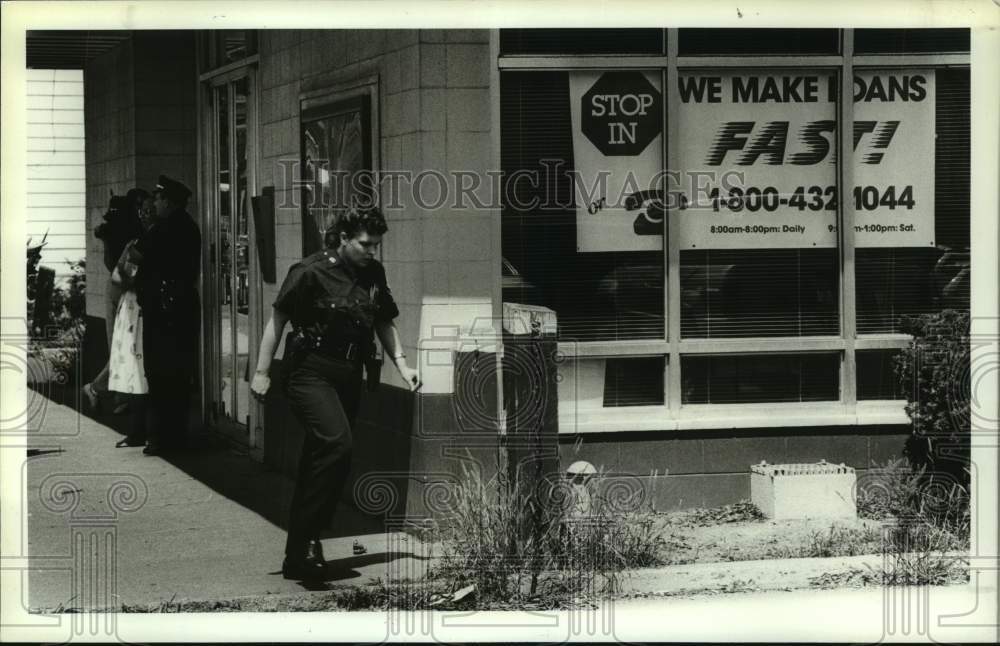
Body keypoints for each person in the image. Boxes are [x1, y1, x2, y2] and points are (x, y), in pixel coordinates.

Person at [250, 205, 420, 581]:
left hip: (348, 374)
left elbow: (383, 320)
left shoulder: (373, 272)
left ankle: (300, 551)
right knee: (337, 444)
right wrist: (261, 372)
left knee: (322, 459)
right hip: (309, 371)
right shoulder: (310, 271)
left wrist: (404, 364)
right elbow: (276, 321)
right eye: (365, 243)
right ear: (344, 238)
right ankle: (310, 541)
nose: (372, 250)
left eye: (376, 244)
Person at [134, 175, 201, 456]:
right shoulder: (189, 227)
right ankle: (176, 436)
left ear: (169, 202)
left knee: (161, 374)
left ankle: (163, 437)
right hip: (180, 307)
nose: (155, 202)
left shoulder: (164, 229)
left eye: (159, 198)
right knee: (178, 374)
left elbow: (137, 256)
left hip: (163, 311)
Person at [82, 188, 148, 413]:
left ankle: (122, 397)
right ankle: (97, 388)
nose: (143, 212)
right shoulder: (131, 232)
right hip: (122, 289)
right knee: (121, 350)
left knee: (124, 349)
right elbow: (120, 270)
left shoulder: (117, 228)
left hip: (123, 288)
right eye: (140, 207)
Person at [108, 195, 156, 447]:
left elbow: (124, 277)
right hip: (131, 309)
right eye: (142, 211)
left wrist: (127, 276)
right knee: (133, 372)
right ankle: (137, 430)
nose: (146, 215)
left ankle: (145, 431)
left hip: (143, 310)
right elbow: (118, 276)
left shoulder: (151, 241)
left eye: (150, 210)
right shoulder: (135, 243)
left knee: (143, 372)